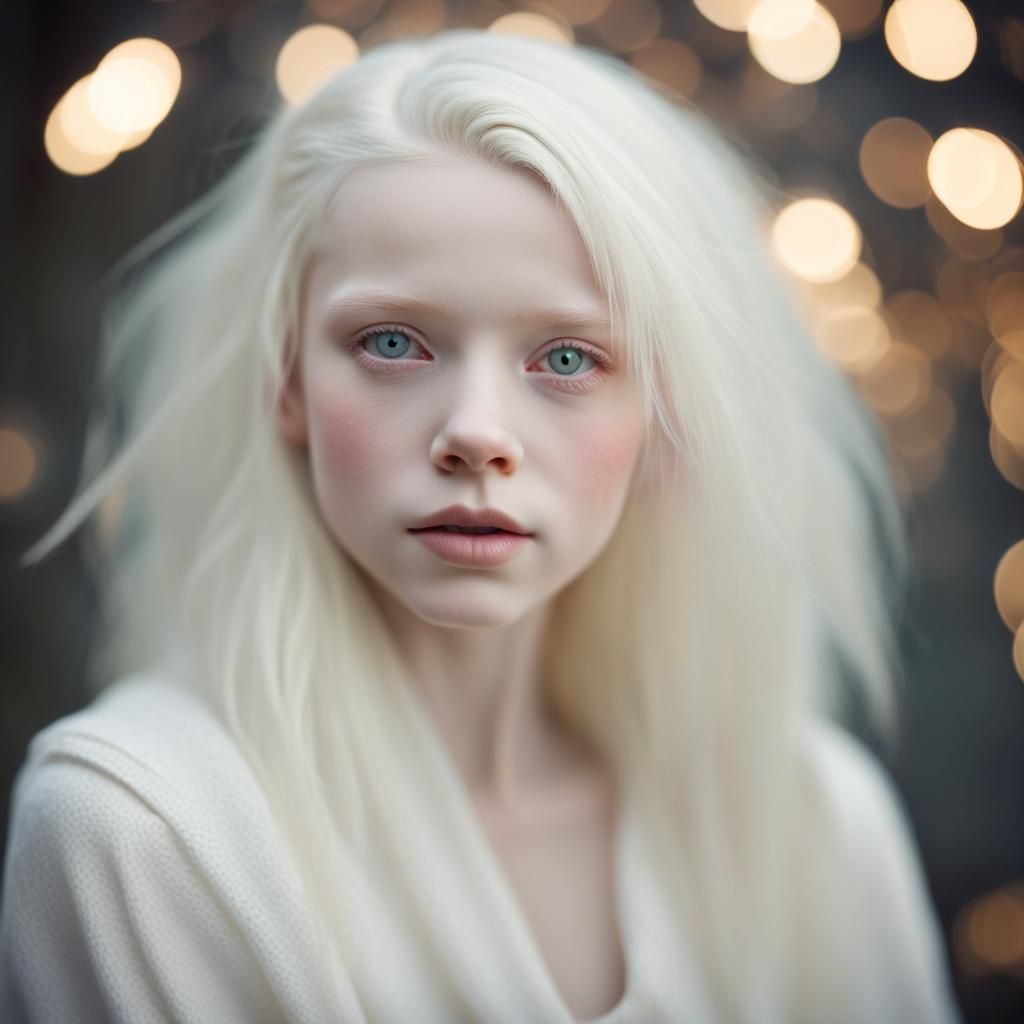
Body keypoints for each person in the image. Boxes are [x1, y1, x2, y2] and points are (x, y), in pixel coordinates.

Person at [0, 28, 961, 1024]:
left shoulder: (810, 826)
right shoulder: (145, 830)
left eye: (567, 359)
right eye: (391, 342)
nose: (476, 435)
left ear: (664, 414)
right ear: (282, 376)